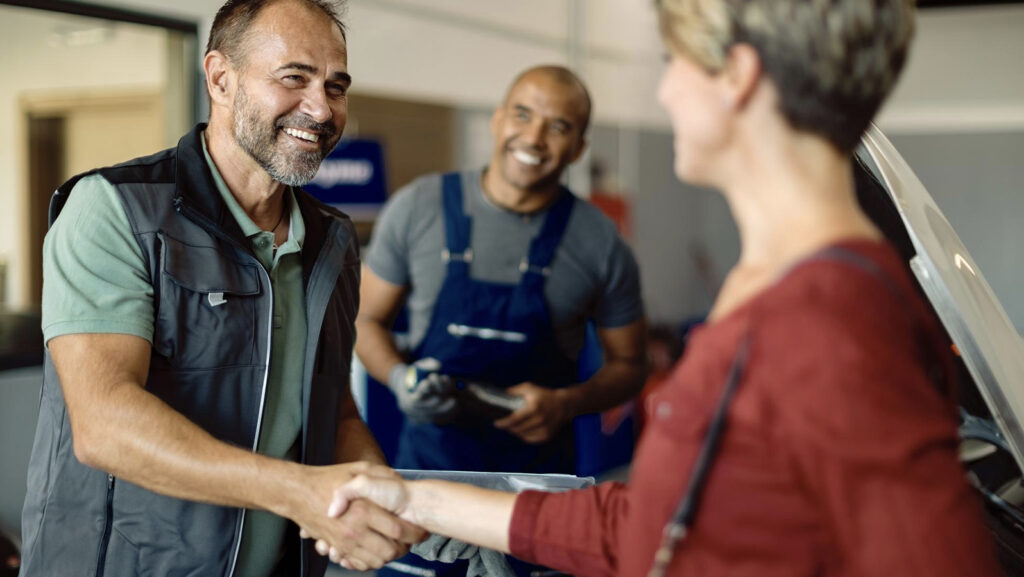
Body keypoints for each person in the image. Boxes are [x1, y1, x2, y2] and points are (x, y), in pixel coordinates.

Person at [321, 0, 1004, 576]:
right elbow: (656, 520)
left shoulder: (825, 320)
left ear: (736, 77)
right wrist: (416, 499)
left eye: (672, 64)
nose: (665, 91)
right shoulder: (778, 288)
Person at [19, 1, 424, 576]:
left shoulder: (331, 240)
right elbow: (104, 423)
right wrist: (296, 491)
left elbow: (334, 413)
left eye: (336, 86)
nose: (321, 108)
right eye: (294, 78)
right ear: (220, 78)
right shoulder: (114, 210)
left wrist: (384, 502)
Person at [356, 65, 646, 474]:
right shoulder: (418, 207)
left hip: (538, 487)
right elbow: (364, 319)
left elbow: (631, 366)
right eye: (522, 115)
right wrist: (399, 379)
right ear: (497, 119)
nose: (533, 138)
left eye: (558, 126)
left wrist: (566, 404)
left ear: (579, 148)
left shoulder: (601, 243)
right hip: (429, 477)